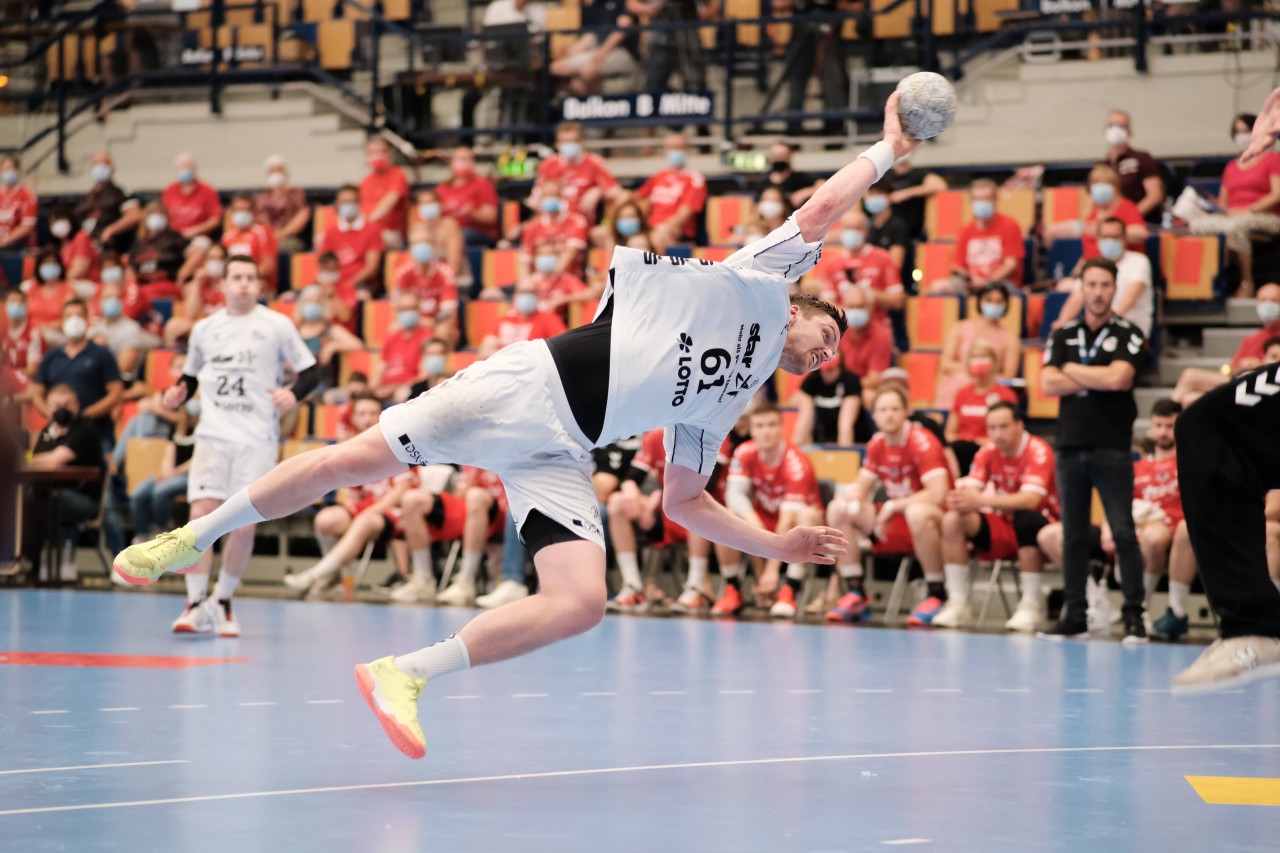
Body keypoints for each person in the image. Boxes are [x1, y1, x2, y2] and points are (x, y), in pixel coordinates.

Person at [112, 90, 914, 762]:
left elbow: (683, 501)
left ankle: (407, 672)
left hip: (563, 447)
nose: (825, 356)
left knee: (581, 600)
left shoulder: (729, 399)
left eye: (833, 354)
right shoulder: (764, 281)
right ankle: (199, 534)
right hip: (528, 386)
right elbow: (824, 206)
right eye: (827, 337)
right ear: (805, 305)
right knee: (352, 461)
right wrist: (887, 149)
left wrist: (780, 544)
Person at [130, 255, 320, 638]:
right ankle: (196, 603)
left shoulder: (276, 324)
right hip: (213, 435)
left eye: (251, 277)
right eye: (237, 277)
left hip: (257, 438)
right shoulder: (205, 328)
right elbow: (190, 378)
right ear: (225, 285)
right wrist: (176, 396)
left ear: (259, 286)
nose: (245, 284)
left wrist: (292, 394)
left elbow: (313, 371)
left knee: (244, 524)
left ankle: (224, 600)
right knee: (202, 517)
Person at [1038, 257, 1148, 642]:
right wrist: (1093, 377)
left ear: (1114, 289)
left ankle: (1134, 616)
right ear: (1082, 289)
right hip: (1069, 446)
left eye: (1105, 285)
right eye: (1092, 285)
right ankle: (1076, 616)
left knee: (1122, 531)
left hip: (1112, 446)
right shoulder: (1064, 334)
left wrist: (1073, 373)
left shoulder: (1129, 332)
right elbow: (1048, 384)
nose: (1098, 292)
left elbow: (1120, 379)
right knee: (1073, 535)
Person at [825, 387, 951, 625]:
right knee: (837, 508)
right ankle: (856, 591)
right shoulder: (877, 443)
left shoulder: (922, 441)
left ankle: (937, 593)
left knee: (916, 512)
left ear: (906, 412)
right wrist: (852, 493)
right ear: (874, 415)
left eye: (895, 409)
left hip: (935, 521)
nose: (889, 415)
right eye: (883, 410)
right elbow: (863, 484)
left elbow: (938, 493)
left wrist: (895, 505)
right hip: (896, 521)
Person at [283, 394, 416, 599]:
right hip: (367, 510)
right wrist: (356, 512)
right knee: (326, 519)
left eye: (373, 413)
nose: (368, 418)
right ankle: (333, 575)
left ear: (383, 415)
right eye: (362, 414)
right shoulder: (356, 448)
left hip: (395, 512)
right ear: (354, 419)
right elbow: (353, 496)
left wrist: (371, 511)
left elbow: (402, 490)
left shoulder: (398, 441)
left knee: (364, 521)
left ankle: (313, 576)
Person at [941, 401, 1059, 632]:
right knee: (953, 518)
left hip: (1044, 527)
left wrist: (981, 500)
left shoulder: (1038, 450)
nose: (997, 434)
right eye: (992, 428)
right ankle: (957, 601)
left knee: (1025, 519)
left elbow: (1030, 500)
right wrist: (961, 498)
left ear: (1019, 425)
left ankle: (1031, 604)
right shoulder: (987, 451)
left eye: (1004, 426)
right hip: (1005, 526)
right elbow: (972, 490)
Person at [723, 403, 825, 619]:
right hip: (766, 520)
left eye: (771, 425)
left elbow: (787, 521)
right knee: (728, 514)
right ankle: (732, 589)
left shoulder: (796, 462)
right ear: (751, 429)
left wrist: (771, 571)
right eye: (760, 426)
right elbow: (735, 495)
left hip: (795, 523)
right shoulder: (744, 452)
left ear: (781, 428)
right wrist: (753, 522)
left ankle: (789, 590)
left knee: (804, 519)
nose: (766, 431)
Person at [22, 384, 105, 582]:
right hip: (49, 492)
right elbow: (38, 459)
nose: (61, 409)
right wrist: (31, 461)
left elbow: (52, 460)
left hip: (84, 499)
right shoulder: (49, 429)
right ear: (47, 407)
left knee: (44, 501)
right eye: (56, 404)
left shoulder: (85, 429)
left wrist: (24, 461)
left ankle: (49, 562)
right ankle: (33, 560)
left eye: (67, 404)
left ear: (77, 405)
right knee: (28, 499)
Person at [31, 299, 124, 448]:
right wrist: (51, 414)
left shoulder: (102, 354)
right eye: (69, 316)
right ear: (61, 321)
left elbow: (116, 392)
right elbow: (37, 392)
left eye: (79, 315)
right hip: (58, 431)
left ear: (87, 319)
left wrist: (86, 415)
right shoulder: (52, 356)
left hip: (96, 431)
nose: (74, 320)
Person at [1172, 283, 1280, 406]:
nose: (1267, 305)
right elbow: (1231, 370)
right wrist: (1242, 366)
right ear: (1257, 304)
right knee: (1190, 398)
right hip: (1239, 380)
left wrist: (1259, 364)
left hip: (1260, 384)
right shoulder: (1251, 339)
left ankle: (1167, 412)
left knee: (1190, 375)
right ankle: (1169, 419)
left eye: (1273, 300)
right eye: (1263, 300)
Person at [420, 466, 510, 607]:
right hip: (476, 510)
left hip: (508, 510)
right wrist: (474, 472)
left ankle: (468, 578)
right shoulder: (472, 458)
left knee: (476, 496)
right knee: (414, 500)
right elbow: (459, 496)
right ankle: (426, 581)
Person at [1052, 216, 1153, 339]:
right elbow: (1077, 297)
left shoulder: (1139, 261)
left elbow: (1129, 300)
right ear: (1098, 239)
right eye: (1105, 237)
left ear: (1124, 239)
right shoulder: (1093, 265)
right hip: (1097, 332)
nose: (1110, 241)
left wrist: (1102, 326)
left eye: (1115, 237)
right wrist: (1061, 324)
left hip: (1130, 333)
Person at [934, 281, 1021, 410]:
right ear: (980, 301)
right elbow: (946, 363)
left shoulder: (1010, 337)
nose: (994, 305)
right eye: (989, 300)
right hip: (956, 387)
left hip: (989, 392)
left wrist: (984, 378)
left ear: (1006, 305)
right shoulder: (959, 328)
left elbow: (1009, 374)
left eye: (999, 301)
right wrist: (974, 370)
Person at [814, 208, 903, 328]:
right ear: (841, 231)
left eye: (856, 228)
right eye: (848, 228)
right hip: (843, 331)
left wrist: (873, 295)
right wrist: (849, 313)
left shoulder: (884, 258)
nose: (852, 233)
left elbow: (898, 300)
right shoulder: (831, 263)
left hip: (877, 327)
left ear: (866, 230)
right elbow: (827, 303)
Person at [935, 179, 1024, 293]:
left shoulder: (1009, 225)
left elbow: (1011, 264)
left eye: (986, 198)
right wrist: (972, 280)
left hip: (1001, 282)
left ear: (995, 200)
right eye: (977, 199)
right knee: (938, 287)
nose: (981, 203)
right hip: (972, 283)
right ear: (971, 201)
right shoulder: (966, 230)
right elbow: (958, 266)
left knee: (995, 293)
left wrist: (988, 281)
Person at [944, 341, 1018, 475]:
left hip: (992, 449)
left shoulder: (1005, 394)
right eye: (975, 357)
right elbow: (949, 432)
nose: (979, 362)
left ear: (994, 362)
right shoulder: (962, 393)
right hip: (962, 450)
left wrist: (987, 442)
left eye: (984, 357)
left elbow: (1012, 432)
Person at [129, 402, 198, 545]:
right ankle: (141, 536)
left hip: (191, 476)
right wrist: (165, 472)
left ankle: (161, 531)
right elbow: (169, 452)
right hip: (171, 474)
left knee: (160, 491)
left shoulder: (204, 432)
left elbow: (197, 460)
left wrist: (174, 473)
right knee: (138, 494)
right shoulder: (177, 430)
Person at [532, 123, 626, 222]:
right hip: (553, 220)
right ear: (557, 144)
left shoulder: (594, 162)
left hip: (583, 220)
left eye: (573, 141)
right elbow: (536, 197)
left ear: (581, 142)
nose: (569, 145)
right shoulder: (548, 164)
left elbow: (616, 191)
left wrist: (599, 191)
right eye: (565, 142)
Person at [548, 3, 641, 98]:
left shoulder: (622, 3)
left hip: (622, 52)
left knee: (587, 71)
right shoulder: (596, 5)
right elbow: (590, 36)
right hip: (599, 50)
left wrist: (596, 60)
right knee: (566, 77)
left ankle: (599, 106)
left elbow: (621, 30)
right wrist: (570, 52)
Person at [634, 133, 708, 246]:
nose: (675, 151)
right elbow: (635, 198)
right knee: (635, 240)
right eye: (672, 148)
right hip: (652, 229)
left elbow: (683, 215)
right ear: (665, 150)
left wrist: (660, 228)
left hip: (679, 232)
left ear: (687, 150)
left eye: (679, 148)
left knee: (659, 234)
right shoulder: (658, 176)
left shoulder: (695, 179)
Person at [393, 224, 460, 348]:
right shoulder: (403, 274)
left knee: (444, 330)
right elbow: (398, 310)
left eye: (425, 242)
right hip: (414, 323)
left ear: (434, 245)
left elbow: (448, 314)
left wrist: (432, 323)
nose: (421, 247)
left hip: (437, 324)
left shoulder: (445, 273)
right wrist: (420, 322)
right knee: (393, 328)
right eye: (416, 243)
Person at [317, 185, 385, 308]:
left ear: (358, 203)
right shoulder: (331, 231)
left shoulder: (372, 229)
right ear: (338, 204)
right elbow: (324, 263)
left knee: (361, 297)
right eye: (344, 202)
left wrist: (348, 284)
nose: (348, 205)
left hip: (361, 284)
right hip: (334, 282)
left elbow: (371, 267)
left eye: (351, 201)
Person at [87, 280, 158, 386]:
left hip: (120, 384)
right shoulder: (93, 330)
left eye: (117, 297)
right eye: (108, 297)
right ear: (99, 302)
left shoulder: (131, 328)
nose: (113, 300)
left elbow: (124, 368)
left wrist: (103, 349)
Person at [518, 180, 590, 281]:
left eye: (554, 195)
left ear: (562, 197)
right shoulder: (532, 227)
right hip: (537, 280)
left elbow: (568, 255)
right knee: (492, 292)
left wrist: (550, 283)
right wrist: (526, 284)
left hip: (568, 280)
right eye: (546, 195)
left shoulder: (576, 222)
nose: (550, 199)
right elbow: (524, 261)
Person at [1103, 109, 1165, 224]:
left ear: (1130, 131)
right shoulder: (1102, 166)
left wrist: (1130, 218)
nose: (1115, 130)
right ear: (1104, 130)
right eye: (1111, 125)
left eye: (1121, 126)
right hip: (1110, 225)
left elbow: (1155, 196)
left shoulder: (1142, 158)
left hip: (1142, 222)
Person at [478, 279, 569, 357]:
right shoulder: (505, 320)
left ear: (538, 296)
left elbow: (564, 347)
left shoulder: (549, 319)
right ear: (515, 295)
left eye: (531, 292)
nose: (527, 296)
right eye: (523, 292)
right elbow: (484, 352)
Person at [836, 287, 893, 407]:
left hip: (863, 387)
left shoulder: (881, 335)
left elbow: (874, 380)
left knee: (869, 396)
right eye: (851, 307)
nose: (855, 311)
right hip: (840, 384)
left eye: (860, 306)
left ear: (870, 308)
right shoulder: (839, 331)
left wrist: (845, 384)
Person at [75, 152, 141, 253]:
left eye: (105, 163)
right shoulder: (88, 196)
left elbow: (134, 215)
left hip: (110, 250)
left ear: (112, 167)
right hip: (87, 249)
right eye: (96, 163)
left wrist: (111, 230)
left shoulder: (120, 192)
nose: (100, 167)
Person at [374, 292, 433, 402]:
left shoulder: (427, 336)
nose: (408, 312)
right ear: (397, 312)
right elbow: (380, 367)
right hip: (386, 388)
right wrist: (371, 391)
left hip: (407, 390)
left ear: (419, 310)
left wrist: (395, 388)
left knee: (402, 394)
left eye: (412, 308)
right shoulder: (391, 337)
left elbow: (424, 375)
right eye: (404, 309)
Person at [437, 147, 500, 247]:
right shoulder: (442, 188)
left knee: (459, 236)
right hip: (448, 231)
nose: (464, 163)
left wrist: (473, 214)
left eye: (468, 159)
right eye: (461, 159)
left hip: (478, 233)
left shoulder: (482, 184)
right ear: (452, 162)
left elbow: (491, 216)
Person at [791, 356, 860, 446]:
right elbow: (795, 402)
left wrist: (845, 453)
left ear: (839, 366)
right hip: (821, 440)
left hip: (853, 439)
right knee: (805, 405)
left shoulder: (850, 380)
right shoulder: (813, 379)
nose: (828, 374)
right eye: (825, 371)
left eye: (831, 370)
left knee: (845, 423)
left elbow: (845, 427)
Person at [132, 201, 190, 301]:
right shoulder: (139, 244)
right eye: (153, 214)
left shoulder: (175, 238)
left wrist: (182, 276)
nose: (157, 218)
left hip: (167, 285)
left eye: (160, 214)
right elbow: (131, 269)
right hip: (143, 287)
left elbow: (194, 253)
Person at [360, 138, 411, 249]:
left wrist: (365, 225)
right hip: (367, 230)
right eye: (372, 152)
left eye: (381, 151)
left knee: (369, 240)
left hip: (391, 234)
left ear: (389, 154)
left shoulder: (398, 174)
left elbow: (390, 201)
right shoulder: (365, 181)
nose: (377, 156)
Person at [411, 188, 467, 287]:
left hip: (454, 279)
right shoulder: (417, 228)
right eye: (422, 203)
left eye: (429, 202)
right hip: (426, 282)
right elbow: (415, 263)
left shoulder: (450, 225)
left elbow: (453, 264)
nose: (426, 206)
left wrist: (439, 285)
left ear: (439, 204)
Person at [254, 155, 311, 251]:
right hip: (264, 237)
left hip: (288, 238)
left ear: (285, 172)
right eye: (272, 171)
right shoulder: (262, 196)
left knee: (284, 246)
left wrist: (283, 233)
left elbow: (303, 214)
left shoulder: (295, 193)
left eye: (278, 170)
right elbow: (255, 218)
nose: (275, 174)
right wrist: (267, 235)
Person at [161, 153, 222, 241]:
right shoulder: (169, 190)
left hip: (199, 236)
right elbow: (163, 215)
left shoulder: (207, 190)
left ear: (194, 168)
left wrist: (194, 231)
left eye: (188, 166)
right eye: (182, 167)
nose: (185, 169)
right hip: (173, 236)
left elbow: (215, 219)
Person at [221, 194, 279, 288]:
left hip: (258, 282)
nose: (241, 213)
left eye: (246, 210)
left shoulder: (263, 232)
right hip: (232, 283)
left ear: (253, 212)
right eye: (238, 210)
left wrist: (245, 278)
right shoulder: (227, 236)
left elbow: (268, 266)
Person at [887, 154, 946, 241]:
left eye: (903, 164)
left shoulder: (918, 174)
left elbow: (940, 185)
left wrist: (907, 193)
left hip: (915, 227)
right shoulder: (887, 175)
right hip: (891, 226)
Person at [2, 289, 44, 401]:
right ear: (4, 304)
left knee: (35, 391)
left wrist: (11, 375)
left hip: (26, 380)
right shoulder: (1, 329)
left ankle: (10, 400)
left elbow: (32, 370)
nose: (16, 305)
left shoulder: (33, 332)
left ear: (27, 305)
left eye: (21, 302)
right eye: (13, 301)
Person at [22, 248, 75, 335]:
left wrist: (45, 328)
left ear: (60, 266)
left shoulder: (68, 289)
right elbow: (24, 315)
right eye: (46, 263)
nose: (50, 266)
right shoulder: (32, 288)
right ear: (39, 267)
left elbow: (70, 318)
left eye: (53, 263)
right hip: (31, 333)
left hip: (54, 333)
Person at [862, 179, 910, 275]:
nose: (873, 198)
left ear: (889, 196)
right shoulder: (867, 226)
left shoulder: (897, 226)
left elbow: (896, 264)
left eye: (878, 194)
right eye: (870, 195)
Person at [753, 143, 816, 210]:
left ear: (790, 157)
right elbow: (755, 205)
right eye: (775, 155)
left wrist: (805, 192)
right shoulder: (762, 180)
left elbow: (821, 185)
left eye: (782, 155)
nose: (779, 159)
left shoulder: (800, 178)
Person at [0, 154, 38, 251]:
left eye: (12, 168)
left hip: (19, 248)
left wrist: (5, 241)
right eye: (6, 168)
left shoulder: (26, 195)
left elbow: (27, 226)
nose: (9, 171)